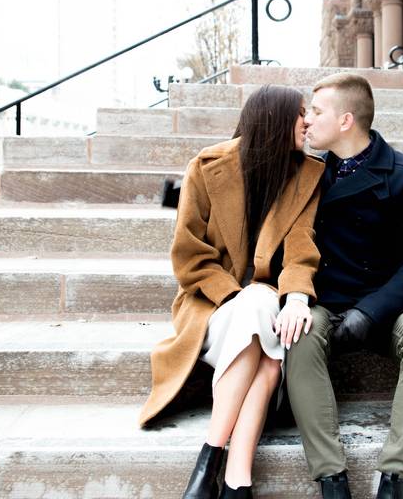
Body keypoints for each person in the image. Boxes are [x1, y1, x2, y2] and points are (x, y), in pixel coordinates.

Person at [138, 85, 326, 499]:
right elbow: (190, 258)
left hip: (266, 314)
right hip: (212, 309)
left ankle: (224, 471)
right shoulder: (206, 167)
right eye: (300, 114)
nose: (308, 121)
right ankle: (228, 469)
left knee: (268, 338)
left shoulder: (307, 174)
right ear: (275, 120)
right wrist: (235, 296)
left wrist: (296, 297)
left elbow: (301, 248)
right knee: (260, 314)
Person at [287, 72, 403, 499]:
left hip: (389, 298)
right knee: (297, 335)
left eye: (317, 112)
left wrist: (370, 311)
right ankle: (331, 479)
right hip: (326, 296)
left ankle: (395, 477)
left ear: (345, 120)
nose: (307, 121)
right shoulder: (307, 175)